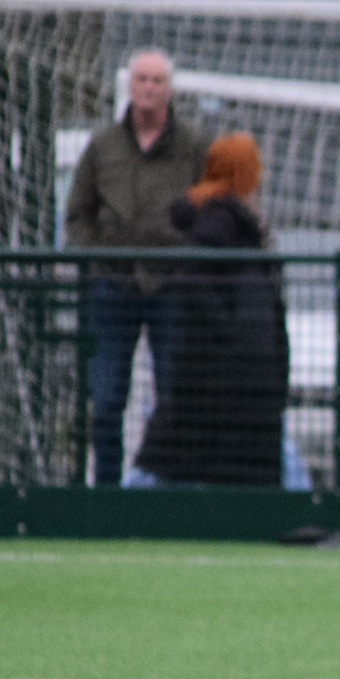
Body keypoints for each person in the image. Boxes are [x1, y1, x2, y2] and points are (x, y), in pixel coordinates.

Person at [65, 50, 207, 486]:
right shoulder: (103, 144)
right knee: (106, 399)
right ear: (130, 85)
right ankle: (106, 492)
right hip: (113, 286)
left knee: (175, 397)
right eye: (142, 79)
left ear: (170, 90)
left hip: (172, 287)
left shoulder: (194, 145)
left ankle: (167, 492)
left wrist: (190, 261)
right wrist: (95, 259)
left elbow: (211, 208)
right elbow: (78, 213)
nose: (149, 88)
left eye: (157, 80)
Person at [131, 134, 288, 487]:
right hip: (220, 377)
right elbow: (193, 282)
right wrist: (232, 331)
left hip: (229, 377)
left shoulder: (236, 223)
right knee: (170, 469)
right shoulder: (220, 223)